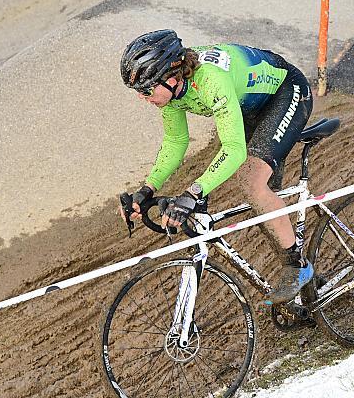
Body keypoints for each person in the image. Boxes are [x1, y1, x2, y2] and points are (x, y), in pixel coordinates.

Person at [120, 29, 314, 304]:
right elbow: (176, 141)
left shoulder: (211, 80)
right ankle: (305, 292)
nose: (142, 97)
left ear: (171, 76)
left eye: (146, 89)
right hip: (249, 107)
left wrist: (193, 192)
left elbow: (233, 151)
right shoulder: (173, 91)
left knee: (251, 182)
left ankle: (298, 267)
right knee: (260, 201)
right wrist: (147, 189)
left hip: (286, 92)